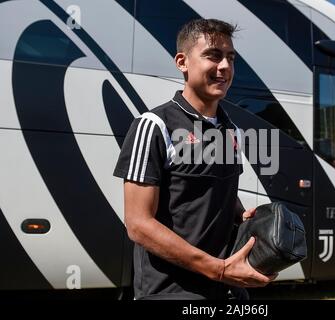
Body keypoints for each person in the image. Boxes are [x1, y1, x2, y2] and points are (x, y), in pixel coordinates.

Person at [113, 18, 276, 300]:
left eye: (230, 58)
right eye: (213, 55)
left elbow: (217, 190)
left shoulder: (231, 130)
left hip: (228, 292)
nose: (225, 66)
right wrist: (219, 269)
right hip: (170, 292)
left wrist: (239, 213)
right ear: (182, 62)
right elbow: (138, 224)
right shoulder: (153, 125)